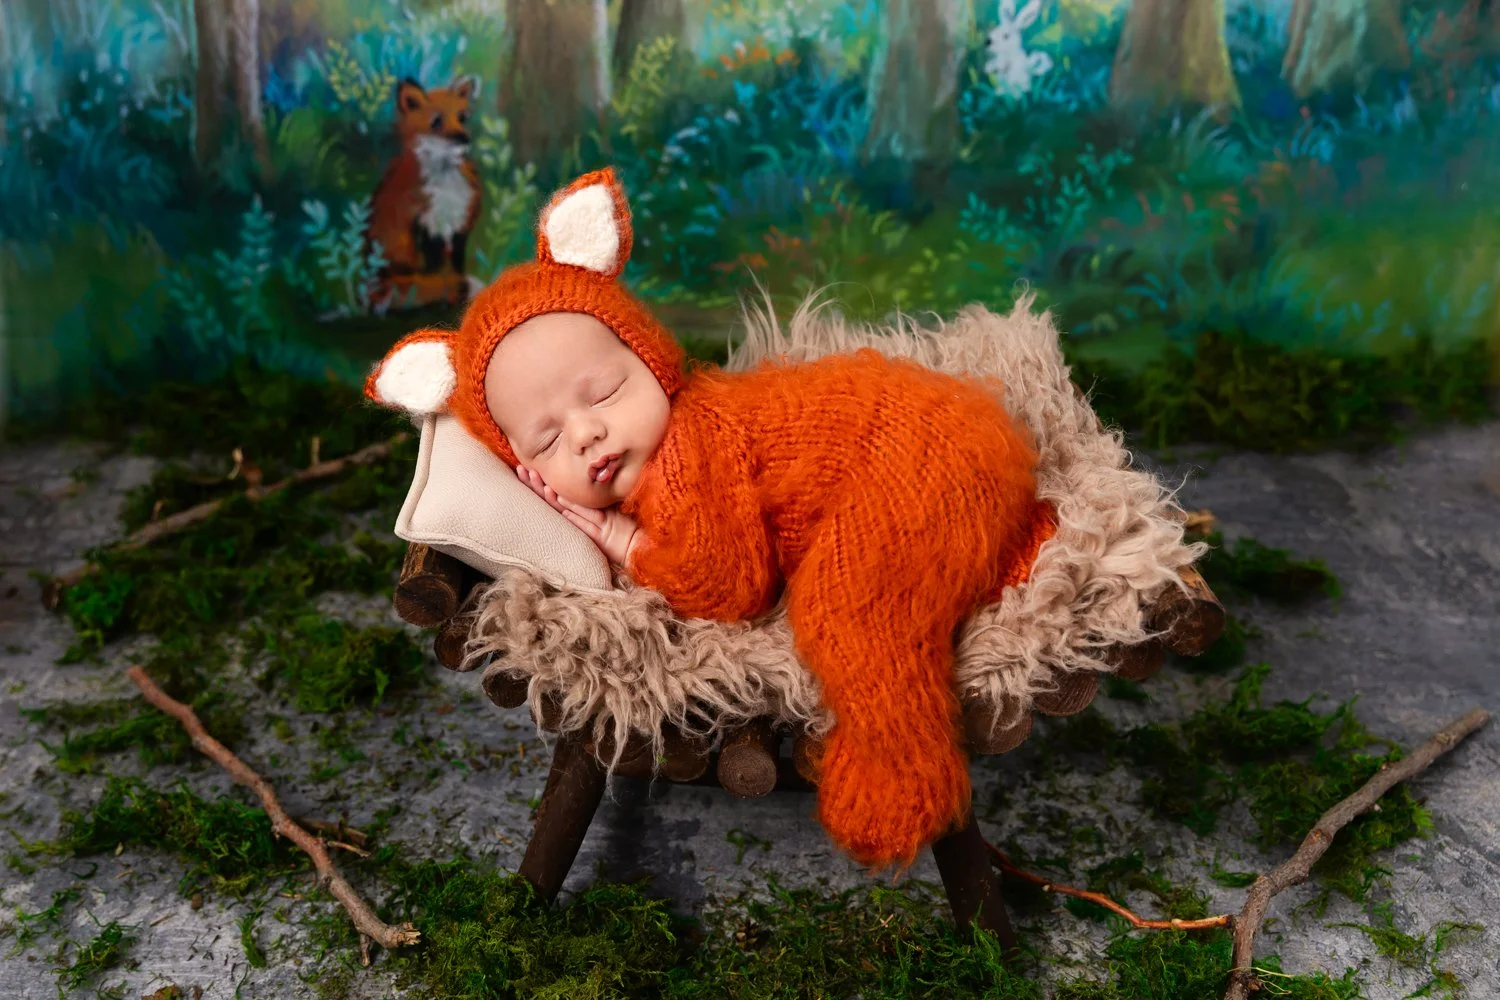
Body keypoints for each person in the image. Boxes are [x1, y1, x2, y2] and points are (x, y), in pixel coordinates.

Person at [365, 168, 1056, 873]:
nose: (585, 435)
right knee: (887, 564)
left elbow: (729, 590)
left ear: (655, 364)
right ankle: (998, 541)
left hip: (926, 453)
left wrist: (623, 540)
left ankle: (903, 771)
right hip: (957, 442)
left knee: (849, 609)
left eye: (604, 393)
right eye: (546, 440)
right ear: (525, 466)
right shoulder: (655, 444)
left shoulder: (688, 453)